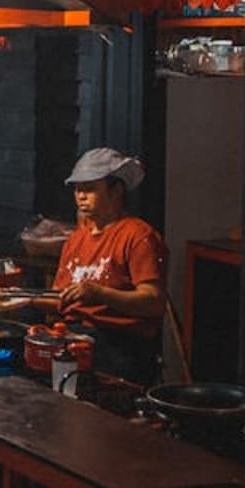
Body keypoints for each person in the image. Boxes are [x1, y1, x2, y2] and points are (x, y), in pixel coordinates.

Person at [44, 147, 167, 386]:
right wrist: (19, 300)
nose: (80, 196)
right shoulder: (76, 238)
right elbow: (62, 297)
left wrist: (99, 293)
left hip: (119, 348)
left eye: (89, 189)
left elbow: (154, 301)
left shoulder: (138, 236)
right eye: (77, 189)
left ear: (117, 190)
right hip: (74, 340)